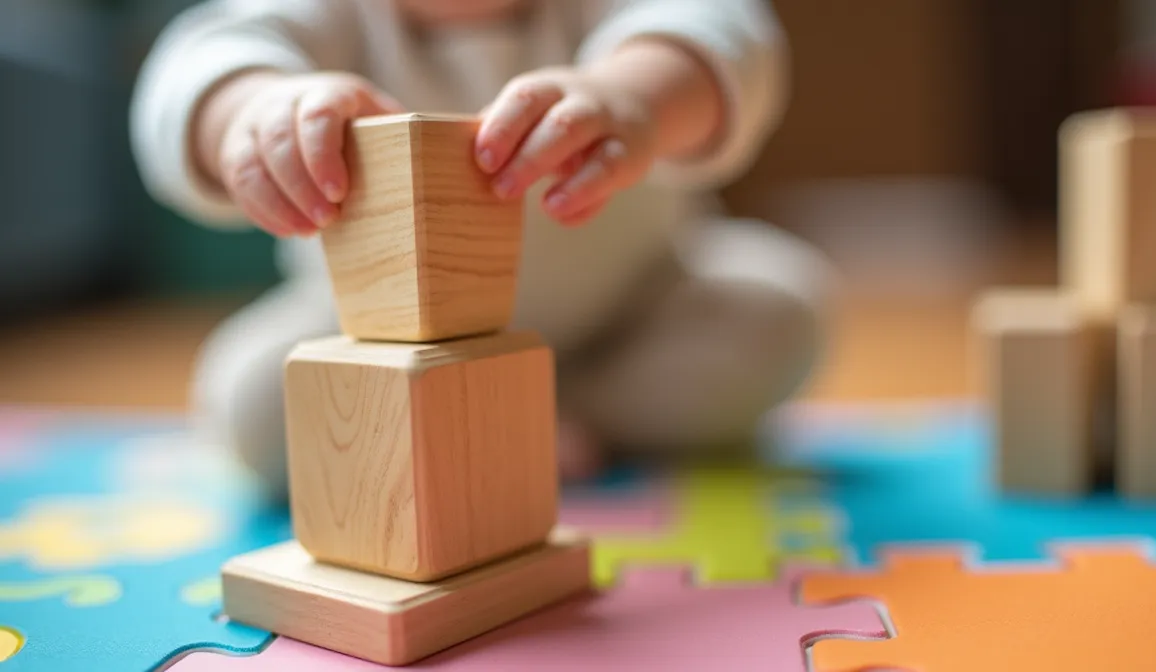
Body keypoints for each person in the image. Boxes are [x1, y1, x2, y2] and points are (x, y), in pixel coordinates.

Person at [130, 0, 835, 499]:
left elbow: (720, 32)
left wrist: (632, 98)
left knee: (781, 306)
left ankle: (554, 421)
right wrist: (251, 112)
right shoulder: (325, 14)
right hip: (390, 346)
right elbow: (199, 61)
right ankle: (500, 436)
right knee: (251, 402)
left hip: (634, 316)